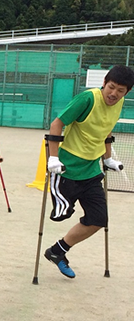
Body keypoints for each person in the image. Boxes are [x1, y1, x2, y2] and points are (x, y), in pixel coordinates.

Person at [44, 65, 134, 279]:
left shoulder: (118, 103)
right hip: (66, 168)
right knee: (61, 214)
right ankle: (62, 208)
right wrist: (53, 157)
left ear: (127, 92)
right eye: (111, 88)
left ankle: (57, 251)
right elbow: (58, 123)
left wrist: (108, 157)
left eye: (120, 91)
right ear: (104, 82)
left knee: (98, 219)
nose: (114, 94)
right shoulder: (87, 99)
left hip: (92, 170)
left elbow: (107, 128)